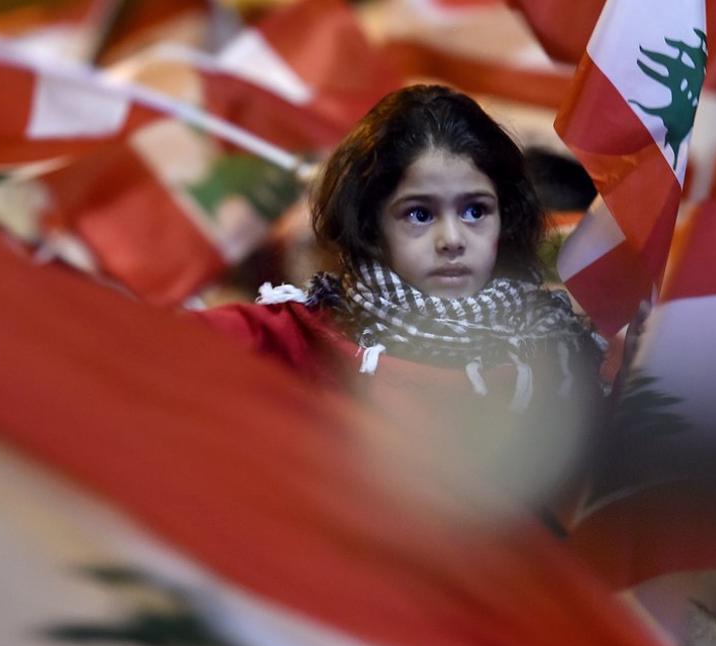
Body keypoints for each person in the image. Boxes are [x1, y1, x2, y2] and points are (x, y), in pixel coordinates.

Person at [198, 85, 605, 506]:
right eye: (420, 214)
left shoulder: (567, 365)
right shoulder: (271, 343)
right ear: (370, 226)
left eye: (474, 211)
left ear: (506, 218)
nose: (452, 240)